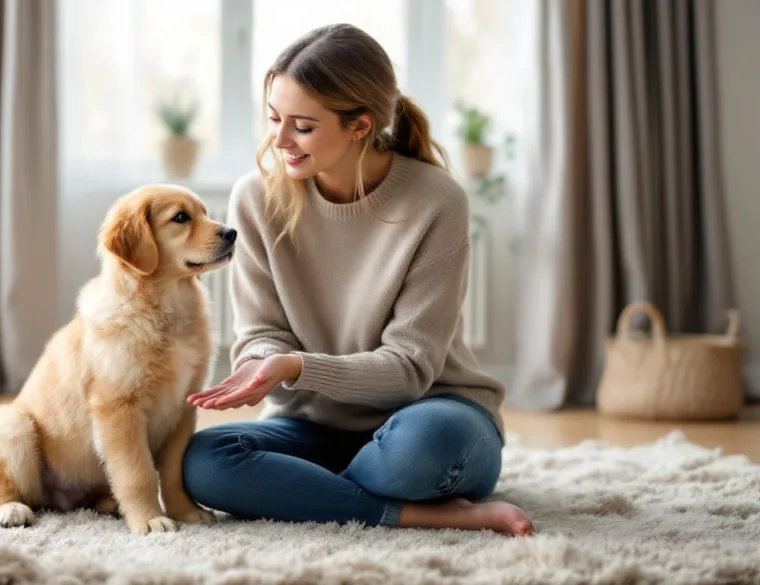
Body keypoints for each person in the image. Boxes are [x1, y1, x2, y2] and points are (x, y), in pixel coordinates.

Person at [182, 23, 533, 537]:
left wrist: (297, 366)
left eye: (301, 126)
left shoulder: (436, 201)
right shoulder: (254, 199)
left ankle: (313, 492)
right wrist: (260, 366)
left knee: (416, 454)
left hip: (431, 416)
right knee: (204, 461)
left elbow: (411, 366)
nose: (279, 140)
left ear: (360, 125)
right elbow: (261, 334)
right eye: (274, 119)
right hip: (312, 427)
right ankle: (415, 513)